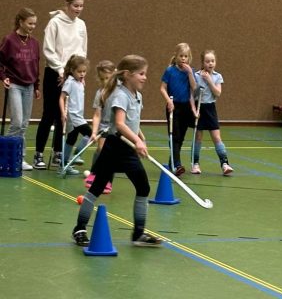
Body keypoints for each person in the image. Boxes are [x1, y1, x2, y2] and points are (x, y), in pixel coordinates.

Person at [72, 54, 162, 247]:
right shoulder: (120, 94)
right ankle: (79, 228)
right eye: (141, 74)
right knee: (96, 189)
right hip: (115, 147)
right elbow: (119, 124)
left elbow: (131, 120)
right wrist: (137, 140)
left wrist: (139, 134)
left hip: (127, 148)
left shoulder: (137, 95)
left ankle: (138, 233)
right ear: (128, 75)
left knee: (143, 187)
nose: (145, 77)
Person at [33, 0, 87, 169]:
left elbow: (82, 50)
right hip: (55, 73)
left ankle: (58, 153)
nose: (78, 9)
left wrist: (79, 73)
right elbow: (48, 50)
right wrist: (60, 69)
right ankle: (38, 154)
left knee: (64, 116)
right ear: (67, 5)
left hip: (72, 74)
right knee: (49, 113)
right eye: (75, 5)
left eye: (81, 6)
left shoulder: (81, 25)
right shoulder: (54, 23)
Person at [0, 8, 41, 171]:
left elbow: (36, 65)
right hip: (15, 84)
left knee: (24, 124)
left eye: (35, 24)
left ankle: (19, 158)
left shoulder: (34, 43)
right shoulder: (9, 40)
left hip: (29, 86)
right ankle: (4, 155)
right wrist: (4, 77)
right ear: (21, 22)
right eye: (30, 23)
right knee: (16, 121)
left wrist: (37, 86)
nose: (32, 27)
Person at [192, 50, 234, 176]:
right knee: (198, 137)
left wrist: (209, 80)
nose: (210, 63)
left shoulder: (217, 76)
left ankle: (225, 164)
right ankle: (195, 164)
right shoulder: (196, 75)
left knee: (216, 137)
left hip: (210, 109)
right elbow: (193, 93)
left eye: (212, 61)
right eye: (207, 61)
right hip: (199, 108)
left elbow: (217, 93)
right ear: (203, 62)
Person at [160, 43, 197, 176]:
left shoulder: (190, 71)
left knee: (181, 137)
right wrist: (168, 101)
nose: (183, 59)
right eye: (181, 56)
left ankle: (173, 162)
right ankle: (177, 164)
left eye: (186, 56)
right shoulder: (170, 70)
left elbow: (194, 88)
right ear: (176, 56)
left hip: (186, 107)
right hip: (173, 106)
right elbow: (162, 88)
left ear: (189, 58)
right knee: (174, 136)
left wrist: (189, 74)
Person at [84, 60, 116, 194]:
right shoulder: (100, 93)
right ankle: (94, 173)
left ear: (114, 75)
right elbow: (97, 115)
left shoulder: (120, 92)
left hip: (115, 128)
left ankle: (108, 181)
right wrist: (94, 131)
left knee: (112, 155)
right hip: (104, 126)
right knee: (101, 149)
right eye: (102, 79)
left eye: (107, 78)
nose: (104, 82)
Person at [59, 55, 92, 175]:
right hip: (73, 117)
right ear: (72, 70)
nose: (82, 74)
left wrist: (81, 81)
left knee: (71, 140)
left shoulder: (80, 82)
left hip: (79, 116)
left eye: (84, 71)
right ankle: (77, 155)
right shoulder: (70, 82)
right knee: (90, 134)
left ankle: (64, 164)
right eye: (79, 71)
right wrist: (63, 113)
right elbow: (61, 98)